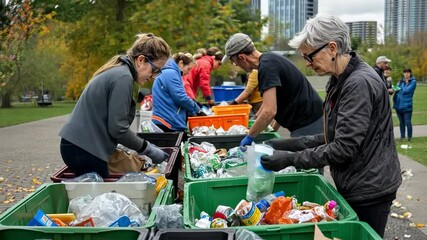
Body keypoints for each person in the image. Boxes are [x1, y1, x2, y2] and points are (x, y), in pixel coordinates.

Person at [259, 15, 401, 237]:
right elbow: (330, 136)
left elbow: (343, 148)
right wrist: (287, 144)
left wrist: (288, 159)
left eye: (310, 56)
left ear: (332, 48)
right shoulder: (339, 79)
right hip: (357, 181)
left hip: (370, 187)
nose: (307, 63)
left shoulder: (358, 83)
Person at [59, 33, 171, 178]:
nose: (152, 76)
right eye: (155, 70)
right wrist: (148, 149)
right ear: (141, 60)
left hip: (79, 146)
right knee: (100, 198)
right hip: (83, 149)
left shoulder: (120, 71)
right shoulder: (123, 77)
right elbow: (118, 129)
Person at [221, 33, 323, 149]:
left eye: (234, 61)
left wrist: (250, 137)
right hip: (308, 121)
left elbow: (269, 111)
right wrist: (271, 130)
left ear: (242, 58)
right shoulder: (270, 60)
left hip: (309, 123)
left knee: (308, 163)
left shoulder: (267, 67)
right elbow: (277, 102)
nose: (236, 65)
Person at [152, 52, 206, 136]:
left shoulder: (169, 73)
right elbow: (181, 97)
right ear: (181, 63)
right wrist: (198, 110)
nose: (188, 73)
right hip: (167, 122)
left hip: (166, 120)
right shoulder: (171, 74)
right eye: (188, 69)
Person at [393, 68, 417, 142]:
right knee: (401, 122)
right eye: (405, 73)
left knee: (408, 122)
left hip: (407, 105)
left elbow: (407, 90)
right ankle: (402, 137)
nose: (406, 74)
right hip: (398, 105)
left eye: (408, 73)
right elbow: (394, 88)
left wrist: (398, 88)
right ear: (403, 73)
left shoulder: (413, 82)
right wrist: (393, 88)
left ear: (410, 74)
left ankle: (409, 138)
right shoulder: (401, 81)